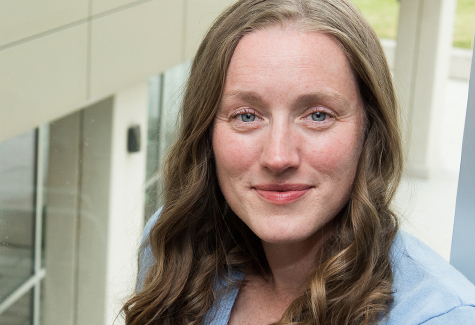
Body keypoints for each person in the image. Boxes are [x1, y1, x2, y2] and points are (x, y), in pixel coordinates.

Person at [122, 0, 475, 324]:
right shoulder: (174, 249)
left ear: (369, 132)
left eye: (318, 116)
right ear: (206, 135)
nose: (278, 157)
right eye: (246, 116)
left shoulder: (441, 316)